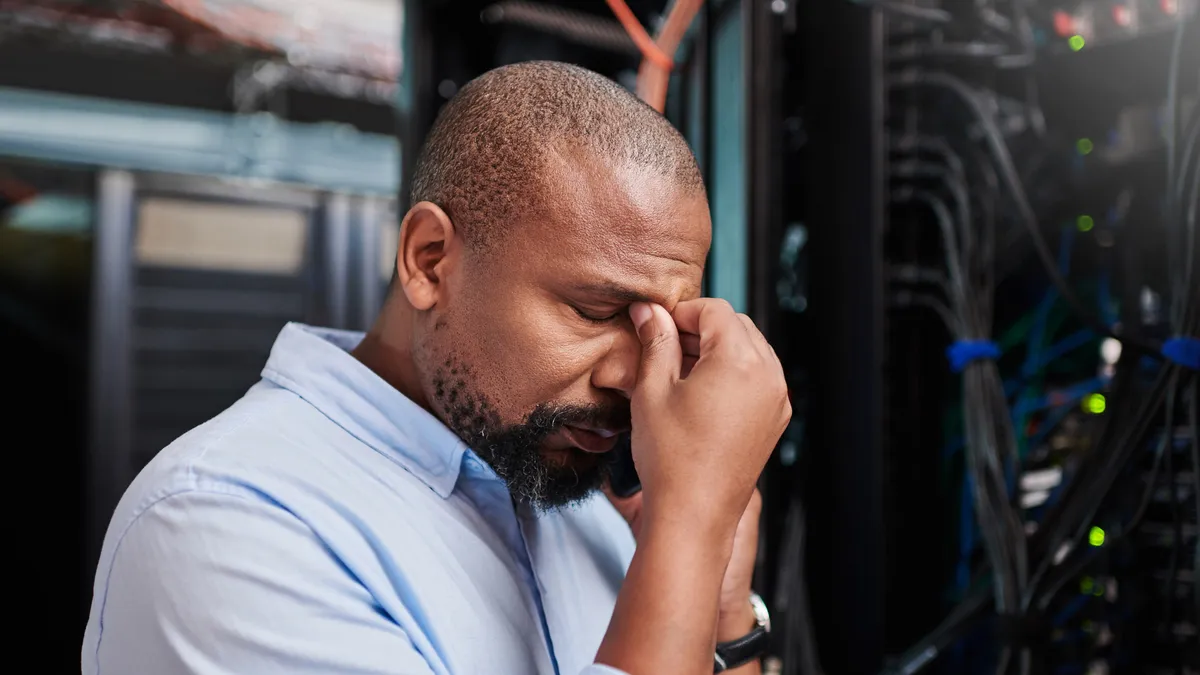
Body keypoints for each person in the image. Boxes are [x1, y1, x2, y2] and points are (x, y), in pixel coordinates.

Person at [82, 61, 790, 675]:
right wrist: (692, 520)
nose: (634, 378)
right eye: (596, 312)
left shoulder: (589, 510)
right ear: (429, 260)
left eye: (660, 329)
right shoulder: (226, 525)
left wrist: (723, 606)